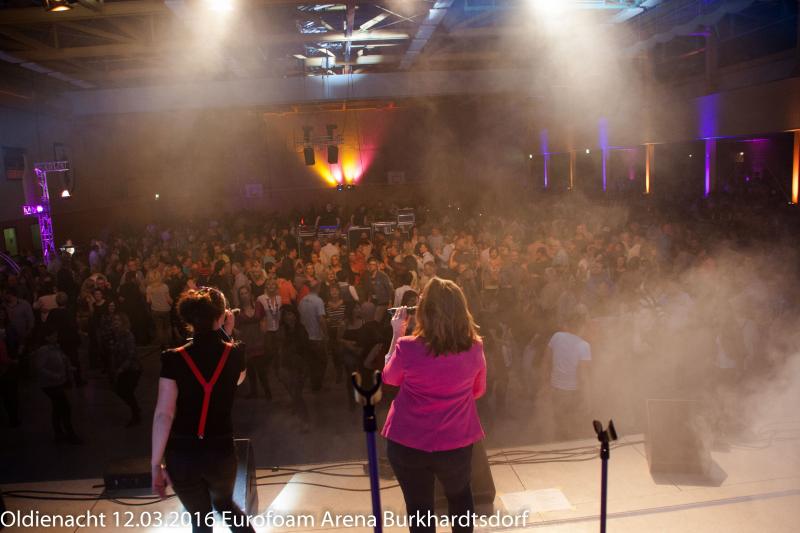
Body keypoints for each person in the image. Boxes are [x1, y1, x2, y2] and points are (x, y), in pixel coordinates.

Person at [382, 277, 486, 533]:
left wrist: (397, 332)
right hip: (456, 441)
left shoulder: (407, 347)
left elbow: (389, 377)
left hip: (408, 442)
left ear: (424, 311)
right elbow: (478, 391)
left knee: (419, 508)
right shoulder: (474, 348)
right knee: (460, 497)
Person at [151, 288, 253, 533]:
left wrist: (155, 464)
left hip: (183, 455)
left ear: (188, 319)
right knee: (226, 506)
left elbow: (164, 414)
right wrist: (226, 332)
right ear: (221, 316)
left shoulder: (174, 359)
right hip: (220, 452)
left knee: (200, 518)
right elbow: (237, 380)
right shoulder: (235, 353)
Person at [32, 329, 81, 444]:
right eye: (53, 336)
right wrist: (54, 375)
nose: (56, 337)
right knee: (65, 408)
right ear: (46, 337)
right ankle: (70, 433)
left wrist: (68, 368)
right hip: (50, 384)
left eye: (56, 335)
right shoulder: (43, 350)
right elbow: (39, 367)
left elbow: (62, 360)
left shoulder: (55, 348)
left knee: (58, 408)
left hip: (57, 383)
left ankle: (59, 433)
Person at [109, 314, 142, 427]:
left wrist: (121, 368)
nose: (115, 322)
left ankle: (136, 414)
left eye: (117, 320)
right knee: (120, 391)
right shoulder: (116, 335)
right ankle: (136, 409)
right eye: (114, 320)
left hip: (132, 368)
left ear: (123, 322)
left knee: (126, 391)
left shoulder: (128, 335)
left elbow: (131, 354)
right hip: (122, 369)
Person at [297, 282, 327, 392]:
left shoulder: (302, 300)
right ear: (318, 288)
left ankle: (312, 383)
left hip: (305, 337)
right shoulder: (318, 301)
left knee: (311, 362)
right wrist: (326, 334)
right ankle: (317, 385)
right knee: (322, 362)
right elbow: (321, 319)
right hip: (316, 337)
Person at [146, 271, 173, 349]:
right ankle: (169, 344)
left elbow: (148, 301)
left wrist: (154, 299)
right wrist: (173, 302)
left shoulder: (149, 288)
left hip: (155, 310)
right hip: (165, 309)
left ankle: (162, 345)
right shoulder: (164, 286)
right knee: (167, 327)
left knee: (159, 328)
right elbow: (168, 300)